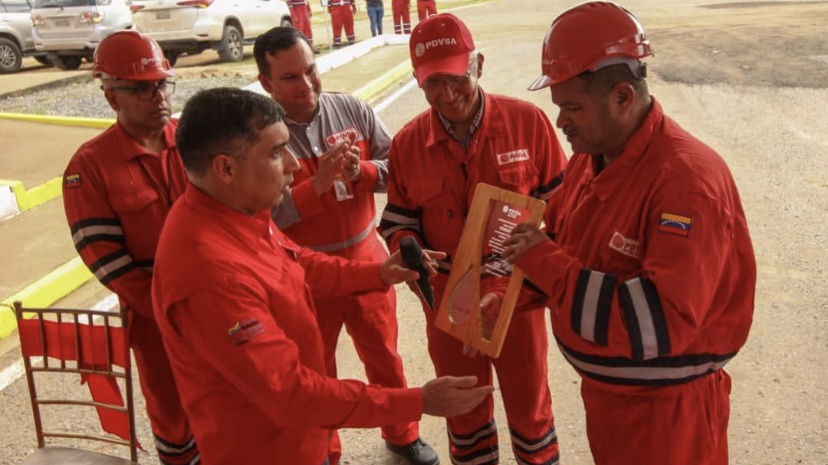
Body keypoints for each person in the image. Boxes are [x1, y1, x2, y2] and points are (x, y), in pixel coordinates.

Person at [151, 87, 493, 465]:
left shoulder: (238, 213)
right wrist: (417, 401)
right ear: (225, 168)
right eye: (277, 152)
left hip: (300, 439)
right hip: (266, 450)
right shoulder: (211, 273)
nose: (296, 166)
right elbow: (292, 394)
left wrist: (378, 272)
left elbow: (298, 263)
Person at [502, 3, 757, 465]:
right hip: (611, 403)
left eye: (572, 107)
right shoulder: (589, 158)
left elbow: (659, 323)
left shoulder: (687, 184)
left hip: (668, 418)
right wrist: (507, 285)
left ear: (622, 96)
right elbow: (561, 245)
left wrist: (545, 264)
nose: (561, 122)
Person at [379, 13, 568, 465]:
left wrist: (540, 278)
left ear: (478, 64)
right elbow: (397, 219)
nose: (447, 95)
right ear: (417, 83)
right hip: (447, 300)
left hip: (516, 300)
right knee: (463, 413)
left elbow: (564, 214)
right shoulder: (406, 144)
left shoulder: (529, 123)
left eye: (456, 77)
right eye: (432, 85)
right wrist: (407, 248)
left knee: (531, 408)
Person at [253, 26, 440, 465]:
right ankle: (325, 451)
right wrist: (312, 188)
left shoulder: (352, 109)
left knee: (385, 358)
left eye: (311, 71)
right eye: (291, 78)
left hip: (367, 260)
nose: (307, 84)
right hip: (304, 275)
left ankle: (403, 432)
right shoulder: (261, 135)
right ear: (266, 83)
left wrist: (366, 174)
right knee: (316, 373)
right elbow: (256, 211)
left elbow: (401, 169)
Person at [61, 30, 199, 465]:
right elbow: (104, 258)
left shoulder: (196, 141)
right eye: (141, 89)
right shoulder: (90, 167)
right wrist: (170, 309)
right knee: (174, 414)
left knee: (232, 397)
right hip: (156, 321)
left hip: (221, 304)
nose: (157, 96)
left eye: (162, 84)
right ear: (111, 98)